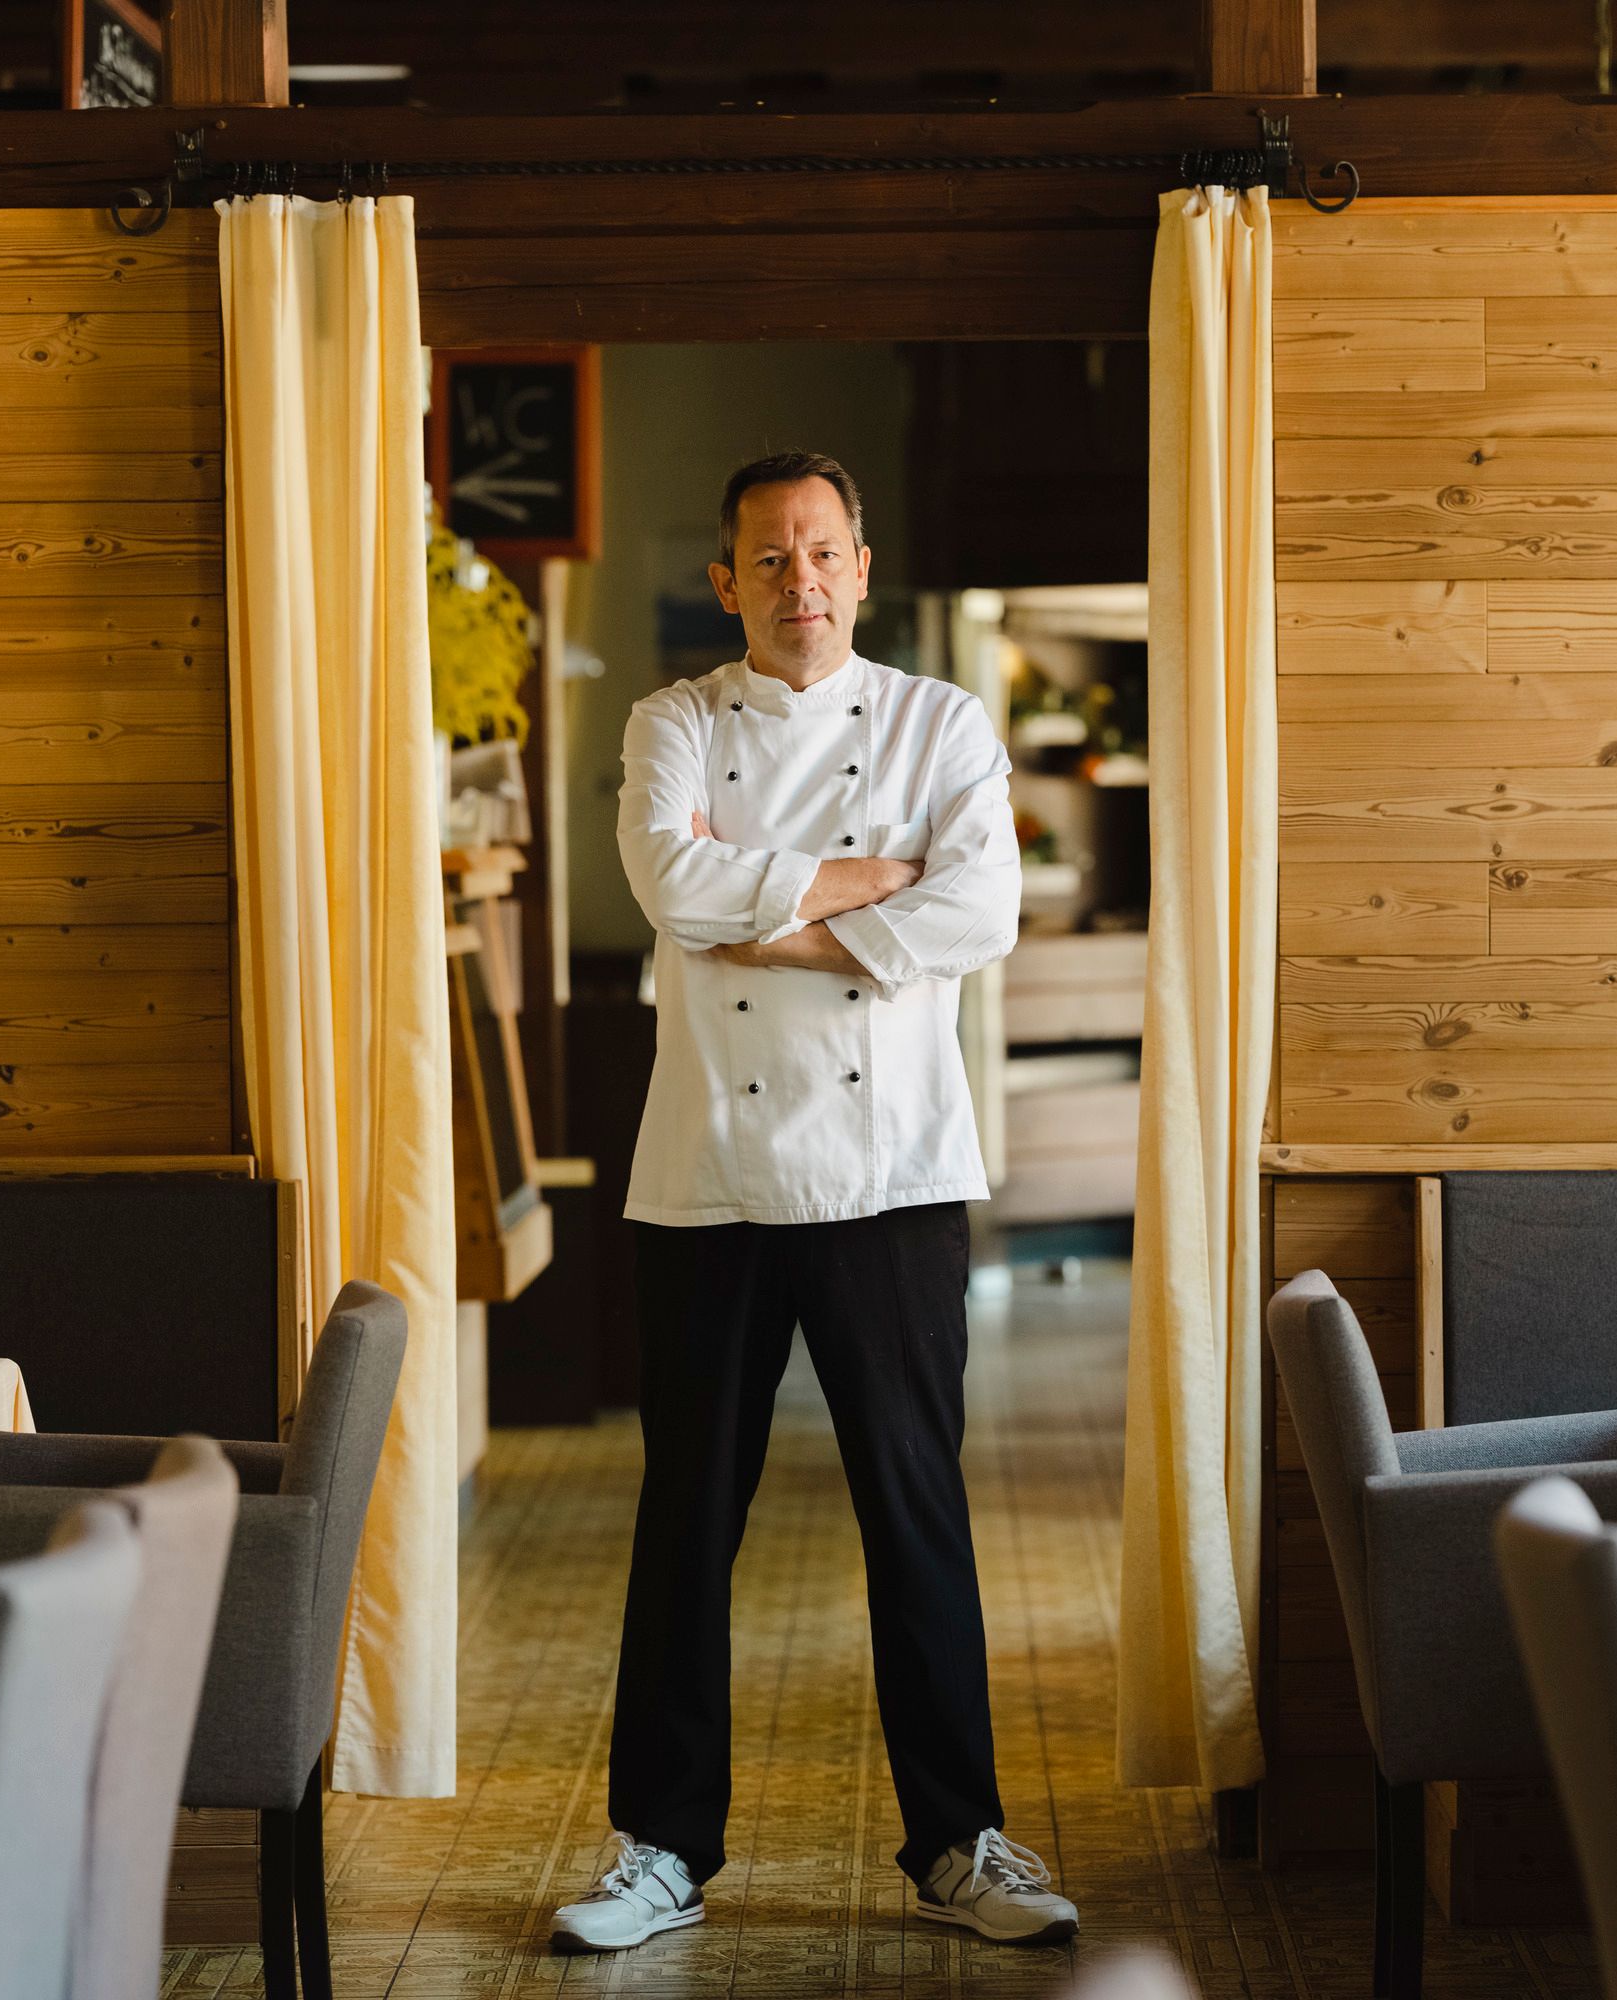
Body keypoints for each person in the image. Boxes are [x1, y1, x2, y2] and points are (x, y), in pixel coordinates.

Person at [552, 451, 1079, 1955]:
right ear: (729, 582)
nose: (801, 582)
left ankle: (961, 1843)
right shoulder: (669, 723)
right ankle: (659, 1848)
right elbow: (672, 889)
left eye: (823, 552)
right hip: (708, 1176)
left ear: (860, 564)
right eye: (770, 560)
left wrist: (769, 912)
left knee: (914, 1515)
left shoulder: (939, 720)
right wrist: (870, 880)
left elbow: (981, 907)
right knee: (685, 1521)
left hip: (893, 1173)